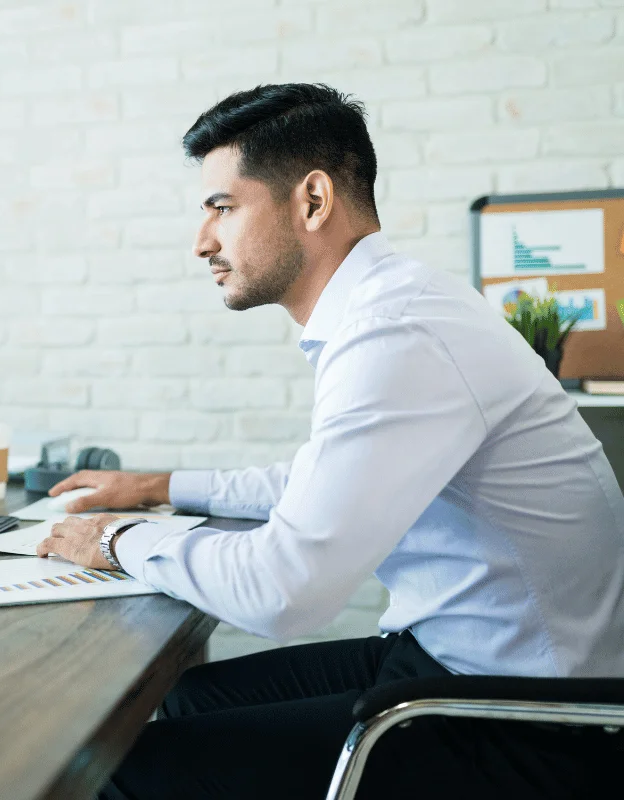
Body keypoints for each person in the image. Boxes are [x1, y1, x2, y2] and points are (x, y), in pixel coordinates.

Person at [37, 84, 624, 799]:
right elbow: (320, 484)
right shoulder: (392, 308)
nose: (202, 241)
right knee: (191, 698)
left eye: (222, 208)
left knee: (120, 774)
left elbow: (285, 592)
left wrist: (114, 540)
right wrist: (158, 487)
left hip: (530, 722)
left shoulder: (397, 332)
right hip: (452, 660)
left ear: (312, 201)